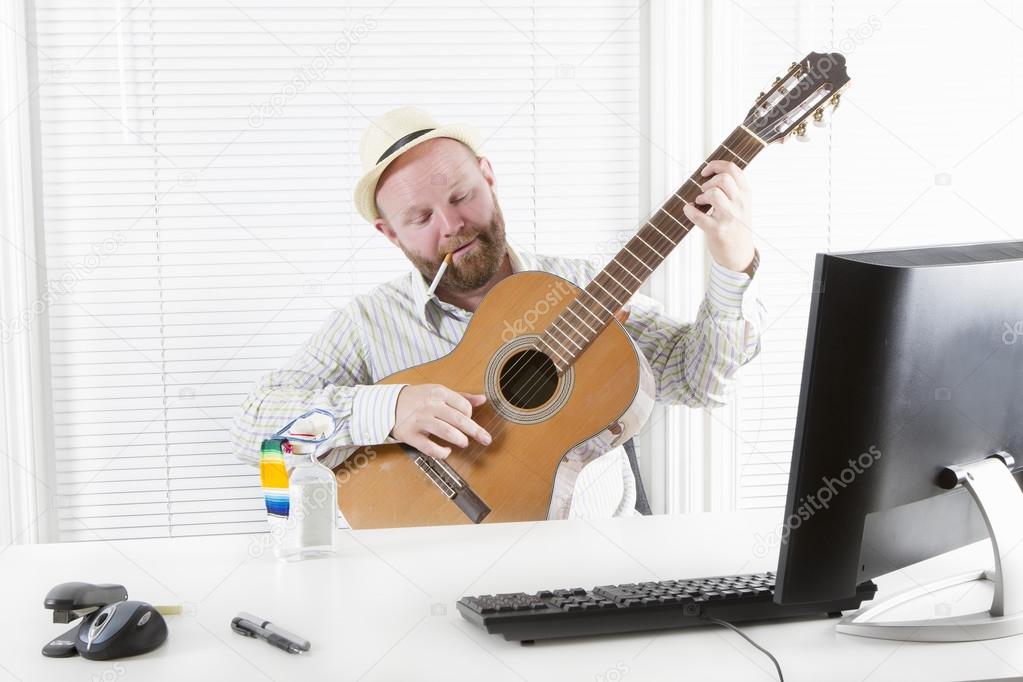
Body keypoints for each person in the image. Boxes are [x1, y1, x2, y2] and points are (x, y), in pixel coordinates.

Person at [231, 106, 765, 521]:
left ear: (488, 176)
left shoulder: (583, 290)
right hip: (427, 574)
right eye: (419, 217)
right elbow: (254, 430)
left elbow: (699, 382)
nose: (451, 225)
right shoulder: (368, 324)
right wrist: (385, 410)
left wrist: (731, 262)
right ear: (388, 233)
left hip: (602, 568)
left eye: (461, 195)